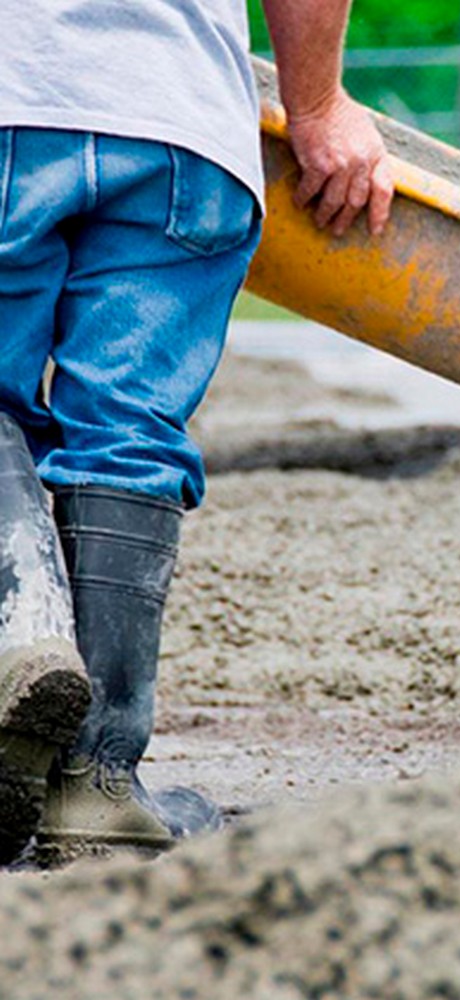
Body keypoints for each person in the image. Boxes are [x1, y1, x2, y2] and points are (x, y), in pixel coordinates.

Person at [0, 0, 393, 861]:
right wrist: (319, 106)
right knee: (127, 433)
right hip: (176, 113)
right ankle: (93, 786)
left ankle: (18, 643)